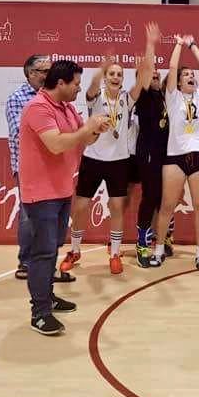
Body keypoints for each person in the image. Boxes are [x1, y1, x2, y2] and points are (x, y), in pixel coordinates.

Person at [18, 60, 108, 335]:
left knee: (52, 248)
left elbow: (84, 140)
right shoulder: (38, 108)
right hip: (41, 193)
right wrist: (85, 129)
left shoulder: (66, 108)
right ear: (60, 83)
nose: (79, 89)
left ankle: (48, 298)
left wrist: (95, 129)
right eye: (76, 84)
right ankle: (40, 313)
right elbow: (56, 144)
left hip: (60, 190)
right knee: (42, 253)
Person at [64, 51, 142, 276]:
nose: (115, 77)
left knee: (117, 207)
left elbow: (142, 83)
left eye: (119, 74)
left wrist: (147, 53)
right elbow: (92, 84)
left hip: (119, 161)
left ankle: (115, 253)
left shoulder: (127, 98)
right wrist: (101, 68)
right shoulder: (95, 97)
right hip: (93, 158)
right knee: (80, 206)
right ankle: (75, 250)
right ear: (106, 77)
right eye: (112, 73)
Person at [6, 55, 78, 282]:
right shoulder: (23, 101)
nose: (47, 74)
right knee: (30, 221)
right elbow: (26, 135)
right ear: (30, 73)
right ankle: (27, 264)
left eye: (50, 70)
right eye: (43, 70)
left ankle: (46, 271)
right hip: (31, 171)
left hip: (56, 173)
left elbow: (68, 133)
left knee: (53, 232)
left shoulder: (60, 103)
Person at [149, 32, 199, 269]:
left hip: (198, 156)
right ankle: (158, 249)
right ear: (177, 82)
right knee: (167, 206)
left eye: (192, 75)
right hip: (174, 157)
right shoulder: (173, 97)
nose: (191, 76)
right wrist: (177, 44)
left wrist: (193, 45)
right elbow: (172, 65)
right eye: (186, 75)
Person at [131, 23, 176, 267]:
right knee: (150, 198)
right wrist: (151, 44)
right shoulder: (145, 95)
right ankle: (141, 243)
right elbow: (147, 71)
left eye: (158, 76)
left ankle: (164, 237)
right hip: (148, 154)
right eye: (152, 76)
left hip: (166, 156)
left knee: (165, 199)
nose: (155, 78)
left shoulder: (165, 96)